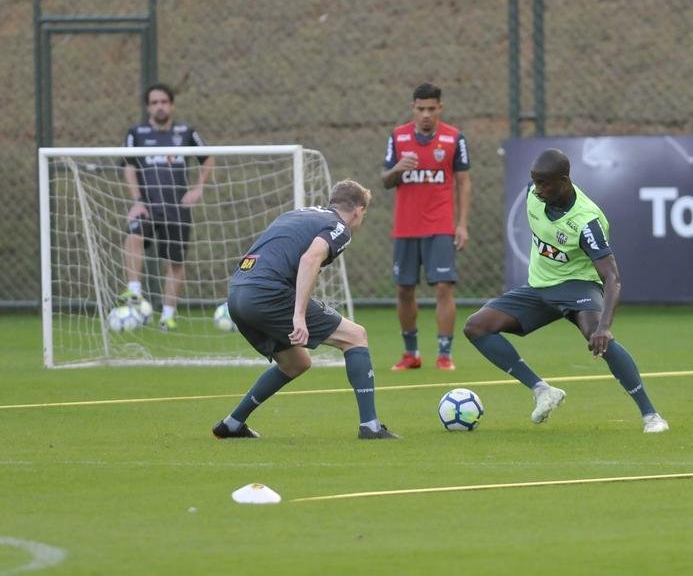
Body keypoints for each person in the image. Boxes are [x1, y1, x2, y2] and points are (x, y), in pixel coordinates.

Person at [463, 148, 669, 433]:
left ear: (564, 180)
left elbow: (612, 278)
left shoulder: (587, 222)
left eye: (544, 183)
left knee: (597, 336)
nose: (538, 190)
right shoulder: (533, 195)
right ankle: (542, 390)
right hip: (540, 286)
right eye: (535, 182)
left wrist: (605, 327)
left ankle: (651, 415)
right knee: (476, 327)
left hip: (577, 285)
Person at [212, 179, 399, 440]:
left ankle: (232, 424)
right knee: (356, 336)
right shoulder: (339, 227)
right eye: (364, 214)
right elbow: (310, 258)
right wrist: (298, 315)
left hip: (238, 293)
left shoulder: (298, 213)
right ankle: (371, 426)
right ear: (358, 210)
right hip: (268, 294)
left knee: (295, 363)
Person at [381, 83, 472, 371]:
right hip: (406, 227)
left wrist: (462, 224)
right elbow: (385, 180)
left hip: (440, 226)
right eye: (421, 109)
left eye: (431, 109)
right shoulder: (398, 136)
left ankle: (444, 355)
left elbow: (463, 181)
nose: (426, 114)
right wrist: (397, 169)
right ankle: (411, 354)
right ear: (413, 108)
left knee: (444, 287)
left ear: (440, 108)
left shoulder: (454, 137)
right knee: (404, 290)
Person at [120, 83, 214, 331]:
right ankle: (134, 293)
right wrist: (137, 200)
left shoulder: (186, 133)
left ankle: (168, 316)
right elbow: (128, 166)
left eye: (163, 101)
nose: (159, 106)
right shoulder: (136, 133)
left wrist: (198, 188)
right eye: (154, 102)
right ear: (148, 107)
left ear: (171, 105)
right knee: (133, 236)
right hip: (148, 205)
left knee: (175, 263)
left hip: (177, 207)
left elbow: (208, 158)